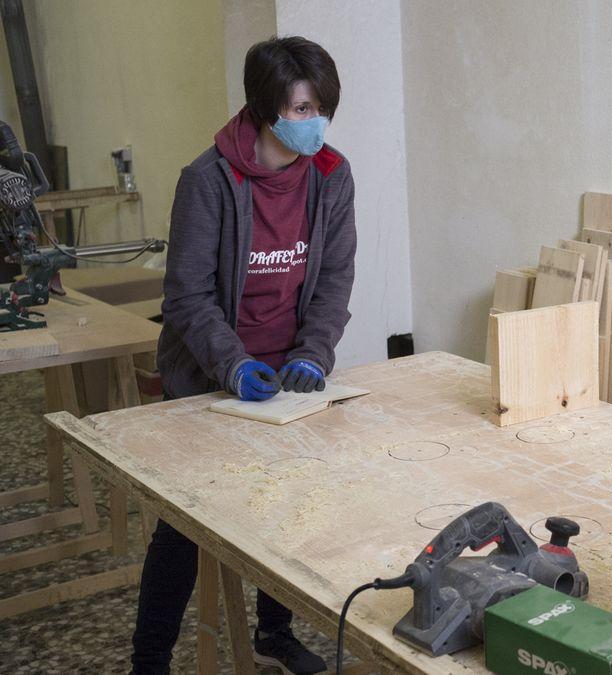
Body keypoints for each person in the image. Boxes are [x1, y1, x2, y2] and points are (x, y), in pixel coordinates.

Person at [132, 36, 356, 674]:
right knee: (184, 529)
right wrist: (230, 365)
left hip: (287, 374)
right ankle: (147, 662)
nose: (314, 121)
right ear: (265, 108)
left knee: (287, 507)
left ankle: (273, 634)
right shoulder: (207, 180)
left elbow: (335, 278)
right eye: (301, 107)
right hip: (207, 373)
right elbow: (187, 296)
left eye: (321, 107)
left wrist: (314, 353)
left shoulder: (331, 175)